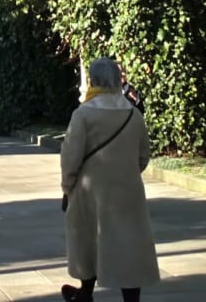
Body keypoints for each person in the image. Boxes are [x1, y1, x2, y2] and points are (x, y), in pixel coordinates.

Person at [60, 57, 159, 302]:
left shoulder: (83, 114)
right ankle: (131, 298)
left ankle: (85, 292)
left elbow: (71, 156)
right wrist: (125, 173)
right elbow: (143, 156)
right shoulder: (133, 114)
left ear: (94, 80)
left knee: (88, 240)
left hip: (89, 191)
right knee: (129, 243)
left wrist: (67, 187)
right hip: (127, 192)